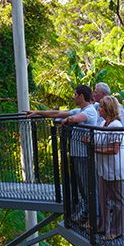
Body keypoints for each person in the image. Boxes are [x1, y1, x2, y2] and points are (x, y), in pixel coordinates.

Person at [27, 85, 97, 220]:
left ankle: (92, 216)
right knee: (81, 186)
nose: (73, 97)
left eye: (75, 94)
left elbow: (75, 119)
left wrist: (66, 121)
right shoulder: (79, 109)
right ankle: (87, 213)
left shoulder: (90, 111)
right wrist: (37, 112)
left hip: (84, 155)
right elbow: (56, 113)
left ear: (81, 96)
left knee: (87, 186)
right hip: (77, 154)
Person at [95, 96, 124, 240]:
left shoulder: (116, 126)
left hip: (114, 169)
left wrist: (95, 149)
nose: (99, 109)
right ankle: (103, 227)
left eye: (101, 107)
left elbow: (114, 149)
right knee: (103, 199)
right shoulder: (103, 124)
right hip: (103, 169)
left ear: (107, 109)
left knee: (117, 201)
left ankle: (116, 230)